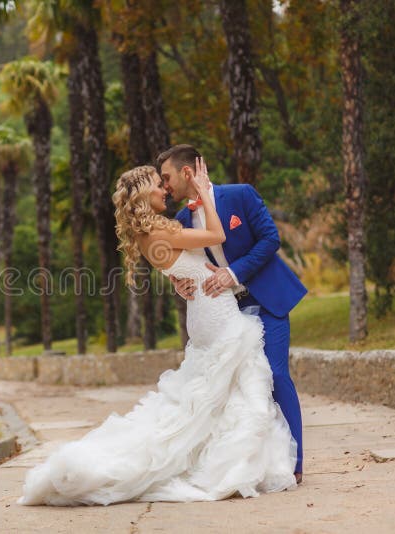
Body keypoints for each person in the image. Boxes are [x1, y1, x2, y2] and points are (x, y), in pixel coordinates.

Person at [18, 156, 298, 506]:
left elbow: (180, 270)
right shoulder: (163, 229)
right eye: (156, 182)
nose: (163, 188)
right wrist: (202, 193)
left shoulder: (151, 233)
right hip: (216, 313)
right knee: (239, 389)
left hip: (203, 314)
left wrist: (181, 280)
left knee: (216, 394)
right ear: (142, 194)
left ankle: (247, 460)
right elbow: (218, 235)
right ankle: (239, 465)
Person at [158, 144, 307, 483]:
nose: (165, 187)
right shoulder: (181, 220)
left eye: (166, 178)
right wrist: (180, 285)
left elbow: (270, 239)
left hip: (267, 299)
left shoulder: (240, 195)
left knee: (276, 374)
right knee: (239, 387)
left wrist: (234, 272)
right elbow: (185, 267)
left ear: (186, 173)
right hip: (225, 311)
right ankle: (254, 464)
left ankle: (295, 465)